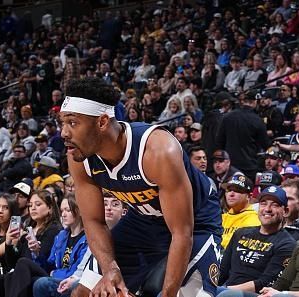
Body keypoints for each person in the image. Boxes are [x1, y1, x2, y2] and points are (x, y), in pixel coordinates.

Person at [60, 77, 222, 297]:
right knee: (83, 293)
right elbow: (93, 221)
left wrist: (168, 293)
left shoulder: (157, 150)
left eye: (73, 122)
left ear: (102, 122)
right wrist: (110, 269)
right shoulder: (78, 156)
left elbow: (182, 232)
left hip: (195, 221)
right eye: (62, 122)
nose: (64, 133)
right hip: (142, 221)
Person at [217, 186, 297, 297]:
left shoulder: (287, 244)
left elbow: (264, 283)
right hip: (226, 290)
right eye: (263, 203)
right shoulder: (240, 233)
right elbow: (222, 271)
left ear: (285, 211)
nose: (267, 209)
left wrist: (223, 290)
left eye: (275, 205)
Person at [0, 190, 61, 297]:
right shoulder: (28, 230)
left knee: (23, 263)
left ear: (50, 208)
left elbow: (46, 262)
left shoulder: (54, 230)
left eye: (38, 204)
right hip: (23, 272)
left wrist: (36, 250)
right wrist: (9, 242)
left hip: (44, 272)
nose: (33, 208)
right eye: (30, 205)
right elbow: (11, 264)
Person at [32, 196, 88, 297]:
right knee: (28, 272)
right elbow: (50, 264)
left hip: (73, 281)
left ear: (79, 211)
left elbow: (77, 271)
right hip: (58, 278)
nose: (63, 214)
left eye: (68, 210)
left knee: (41, 283)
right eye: (62, 210)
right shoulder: (61, 236)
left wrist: (54, 274)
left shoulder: (87, 238)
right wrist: (37, 253)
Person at [216, 91, 270, 181]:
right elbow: (265, 144)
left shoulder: (227, 117)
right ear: (255, 102)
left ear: (243, 101)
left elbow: (219, 141)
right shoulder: (258, 120)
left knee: (230, 192)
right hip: (249, 166)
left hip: (230, 165)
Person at [220, 174, 260, 249]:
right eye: (228, 190)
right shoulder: (222, 217)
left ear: (249, 196)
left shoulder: (253, 220)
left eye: (237, 190)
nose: (231, 194)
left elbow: (238, 247)